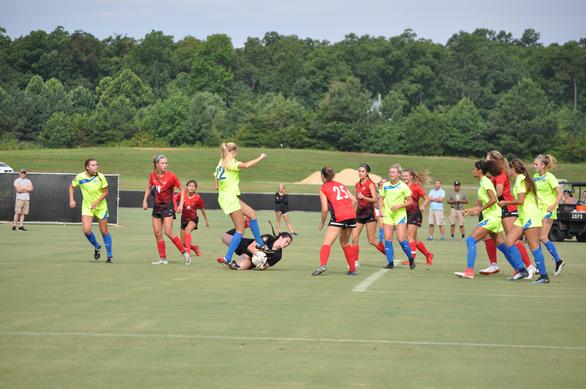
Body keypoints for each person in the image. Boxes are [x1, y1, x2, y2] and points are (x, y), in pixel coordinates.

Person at [454, 160, 528, 280]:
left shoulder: (485, 182)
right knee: (503, 246)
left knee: (470, 240)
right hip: (495, 216)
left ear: (479, 171)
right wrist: (472, 209)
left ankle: (469, 271)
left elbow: (494, 199)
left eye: (474, 168)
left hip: (492, 218)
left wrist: (480, 210)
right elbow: (489, 202)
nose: (472, 170)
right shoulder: (484, 181)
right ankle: (521, 269)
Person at [214, 142, 269, 269]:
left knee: (251, 214)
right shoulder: (230, 163)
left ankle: (260, 243)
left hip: (228, 197)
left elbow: (216, 180)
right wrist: (260, 157)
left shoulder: (221, 162)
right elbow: (246, 165)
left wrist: (219, 185)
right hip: (229, 199)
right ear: (234, 151)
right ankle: (227, 258)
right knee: (240, 230)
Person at [479, 150, 534, 276]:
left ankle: (528, 266)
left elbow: (498, 193)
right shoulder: (493, 175)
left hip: (508, 208)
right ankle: (493, 264)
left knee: (512, 239)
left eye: (488, 158)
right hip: (498, 209)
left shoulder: (501, 174)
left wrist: (487, 200)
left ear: (494, 159)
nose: (486, 159)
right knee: (488, 236)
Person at [498, 158, 550, 284]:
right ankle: (522, 270)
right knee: (509, 242)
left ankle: (544, 276)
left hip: (530, 216)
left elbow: (520, 201)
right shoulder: (519, 180)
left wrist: (506, 202)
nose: (508, 171)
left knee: (533, 247)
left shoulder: (521, 180)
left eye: (508, 168)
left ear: (513, 169)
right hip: (522, 217)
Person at [142, 154, 191, 266]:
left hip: (167, 207)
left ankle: (185, 253)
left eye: (166, 163)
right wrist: (145, 200)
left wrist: (180, 205)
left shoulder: (171, 176)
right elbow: (149, 188)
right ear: (157, 165)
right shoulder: (153, 175)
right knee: (157, 233)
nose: (165, 165)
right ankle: (163, 258)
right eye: (162, 163)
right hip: (157, 207)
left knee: (168, 232)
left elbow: (182, 189)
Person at [312, 167, 358, 276]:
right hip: (351, 215)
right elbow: (355, 200)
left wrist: (322, 222)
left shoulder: (323, 188)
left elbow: (324, 209)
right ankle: (352, 270)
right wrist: (348, 211)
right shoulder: (341, 185)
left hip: (339, 216)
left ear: (322, 176)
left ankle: (323, 264)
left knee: (327, 243)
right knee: (345, 242)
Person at [68, 159, 113, 263]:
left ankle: (109, 255)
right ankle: (97, 246)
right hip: (87, 207)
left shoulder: (101, 177)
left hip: (101, 207)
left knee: (104, 231)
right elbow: (71, 186)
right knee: (86, 230)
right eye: (93, 165)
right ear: (87, 167)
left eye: (96, 164)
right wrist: (71, 199)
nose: (96, 167)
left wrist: (97, 202)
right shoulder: (80, 177)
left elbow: (106, 192)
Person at [379, 164, 416, 270]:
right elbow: (381, 198)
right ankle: (390, 263)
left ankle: (411, 259)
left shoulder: (403, 186)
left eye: (394, 172)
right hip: (388, 215)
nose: (391, 174)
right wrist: (381, 211)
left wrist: (399, 205)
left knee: (401, 239)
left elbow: (410, 201)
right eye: (390, 172)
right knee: (387, 239)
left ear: (398, 174)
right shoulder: (385, 185)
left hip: (400, 215)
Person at [533, 154, 565, 275]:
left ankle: (558, 261)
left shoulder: (550, 177)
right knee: (535, 239)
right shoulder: (535, 176)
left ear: (543, 165)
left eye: (536, 164)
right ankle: (539, 265)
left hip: (548, 210)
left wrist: (553, 205)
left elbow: (560, 193)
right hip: (538, 210)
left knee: (542, 237)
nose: (534, 166)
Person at [350, 164, 386, 268]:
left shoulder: (370, 184)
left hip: (369, 213)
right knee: (354, 238)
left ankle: (389, 255)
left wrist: (364, 197)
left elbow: (375, 199)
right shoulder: (357, 184)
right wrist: (353, 211)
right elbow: (357, 199)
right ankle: (355, 262)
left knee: (371, 240)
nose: (360, 173)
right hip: (359, 214)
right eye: (359, 171)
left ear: (367, 173)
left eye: (363, 171)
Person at [401, 168, 434, 266]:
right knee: (415, 239)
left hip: (415, 213)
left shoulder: (416, 187)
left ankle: (412, 259)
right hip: (405, 214)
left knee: (408, 235)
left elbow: (427, 198)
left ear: (411, 177)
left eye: (406, 176)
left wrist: (423, 205)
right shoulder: (401, 187)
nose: (404, 177)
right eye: (403, 176)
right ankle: (428, 255)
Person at [220, 228, 293, 270]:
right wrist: (259, 254)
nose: (286, 244)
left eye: (288, 244)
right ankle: (241, 226)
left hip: (249, 258)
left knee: (238, 267)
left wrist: (260, 263)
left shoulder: (278, 255)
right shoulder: (268, 238)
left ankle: (229, 262)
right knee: (223, 237)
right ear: (281, 237)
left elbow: (265, 266)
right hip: (244, 245)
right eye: (286, 241)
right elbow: (250, 247)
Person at [174, 180, 209, 257]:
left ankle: (188, 252)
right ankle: (195, 248)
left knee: (187, 231)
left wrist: (206, 220)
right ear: (187, 186)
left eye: (193, 186)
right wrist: (176, 208)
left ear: (195, 188)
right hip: (183, 220)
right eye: (190, 185)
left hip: (193, 219)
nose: (191, 187)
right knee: (182, 243)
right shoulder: (182, 194)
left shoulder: (197, 197)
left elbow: (202, 208)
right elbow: (173, 199)